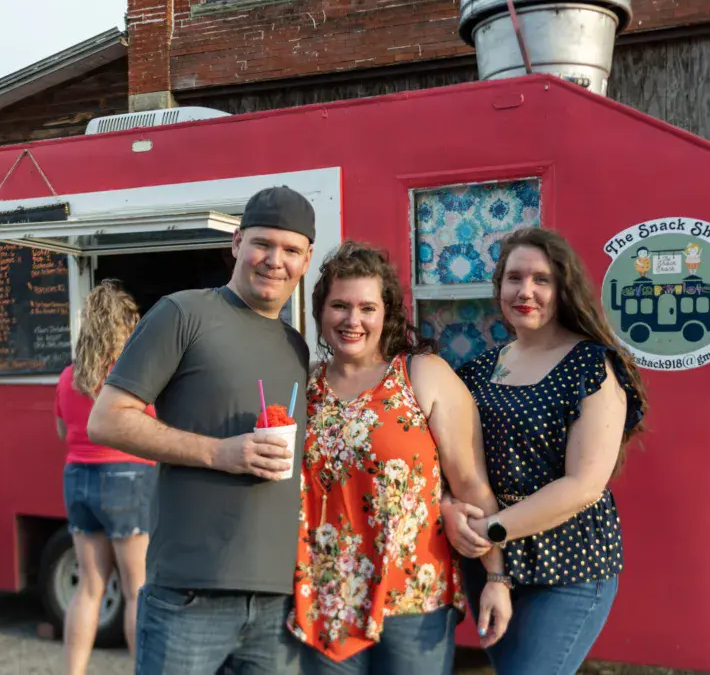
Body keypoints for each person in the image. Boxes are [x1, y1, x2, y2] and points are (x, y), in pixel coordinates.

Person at [87, 186, 316, 675]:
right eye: (262, 243)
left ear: (307, 259)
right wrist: (220, 453)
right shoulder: (183, 313)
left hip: (279, 602)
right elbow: (107, 418)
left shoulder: (296, 346)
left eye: (291, 249)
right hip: (188, 595)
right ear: (236, 243)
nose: (275, 260)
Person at [288, 242, 511, 675]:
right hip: (325, 598)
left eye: (367, 308)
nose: (352, 320)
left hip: (414, 596)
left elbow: (471, 483)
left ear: (386, 313)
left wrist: (496, 578)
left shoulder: (422, 374)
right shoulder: (306, 385)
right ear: (320, 311)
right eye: (340, 306)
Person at [441, 227, 647, 675]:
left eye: (541, 280)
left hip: (568, 565)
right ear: (499, 287)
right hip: (489, 565)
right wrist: (450, 509)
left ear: (563, 288)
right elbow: (454, 466)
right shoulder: (477, 371)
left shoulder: (592, 365)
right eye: (514, 278)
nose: (525, 291)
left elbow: (584, 485)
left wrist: (489, 530)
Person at [54, 279, 156, 675]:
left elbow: (63, 432)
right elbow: (152, 430)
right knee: (135, 590)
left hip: (78, 477)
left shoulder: (69, 376)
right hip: (128, 478)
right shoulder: (131, 377)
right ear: (125, 326)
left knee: (89, 587)